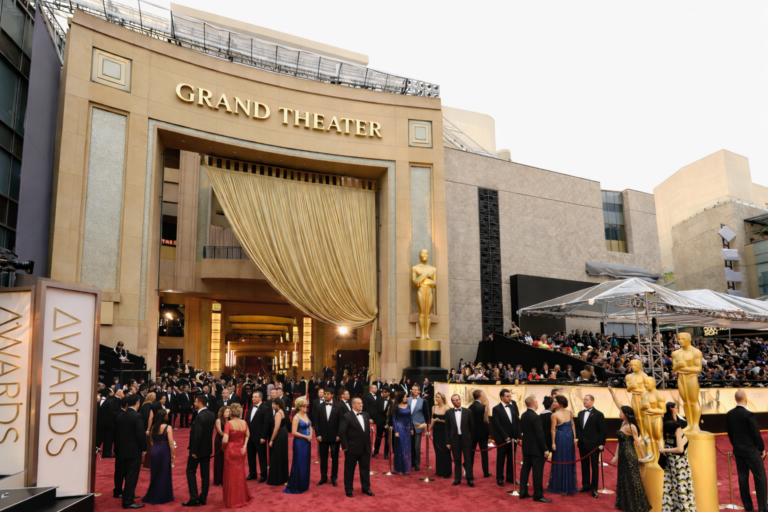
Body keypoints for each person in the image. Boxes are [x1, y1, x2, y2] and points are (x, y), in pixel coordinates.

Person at [608, 396, 652, 512]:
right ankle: (626, 504)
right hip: (622, 454)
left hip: (629, 454)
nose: (619, 413)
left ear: (626, 414)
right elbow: (619, 442)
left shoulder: (632, 426)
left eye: (621, 412)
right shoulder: (623, 423)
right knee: (624, 478)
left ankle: (636, 504)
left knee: (632, 478)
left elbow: (637, 443)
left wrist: (643, 457)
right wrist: (616, 455)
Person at [726, 390, 767, 512]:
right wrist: (761, 448)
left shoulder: (729, 414)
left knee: (742, 478)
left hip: (738, 451)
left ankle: (748, 506)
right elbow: (756, 434)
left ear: (736, 399)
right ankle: (763, 508)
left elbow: (730, 433)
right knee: (760, 477)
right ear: (746, 399)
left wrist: (736, 446)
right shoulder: (749, 415)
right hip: (751, 451)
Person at [115, 394, 147, 509]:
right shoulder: (137, 416)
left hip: (122, 450)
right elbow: (140, 435)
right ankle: (128, 501)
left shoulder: (120, 416)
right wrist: (144, 448)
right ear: (137, 402)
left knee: (126, 474)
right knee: (132, 476)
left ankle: (129, 495)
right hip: (134, 451)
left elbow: (117, 435)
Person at [339, 397, 374, 498]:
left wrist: (369, 445)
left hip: (365, 447)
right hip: (351, 448)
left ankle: (366, 488)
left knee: (365, 469)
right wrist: (345, 446)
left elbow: (365, 432)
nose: (361, 405)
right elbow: (342, 432)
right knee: (349, 470)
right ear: (353, 405)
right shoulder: (347, 416)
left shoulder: (366, 415)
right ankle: (349, 489)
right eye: (358, 404)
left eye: (362, 403)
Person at [183, 395, 215, 507]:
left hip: (197, 450)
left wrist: (194, 451)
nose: (194, 404)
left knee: (190, 471)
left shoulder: (199, 416)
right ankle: (203, 498)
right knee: (205, 474)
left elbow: (197, 435)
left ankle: (194, 498)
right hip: (207, 449)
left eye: (195, 402)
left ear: (200, 403)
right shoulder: (211, 414)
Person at [519, 396, 551, 503]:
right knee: (537, 473)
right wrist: (545, 449)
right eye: (537, 402)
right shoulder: (536, 417)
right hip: (536, 450)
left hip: (526, 449)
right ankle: (538, 495)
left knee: (525, 470)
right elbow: (540, 435)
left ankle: (523, 492)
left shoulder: (523, 415)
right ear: (533, 403)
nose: (538, 404)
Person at [220, 403, 253, 508]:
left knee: (231, 474)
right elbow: (248, 435)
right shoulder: (244, 422)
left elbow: (225, 440)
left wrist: (222, 448)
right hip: (241, 450)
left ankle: (233, 499)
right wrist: (244, 445)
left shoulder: (228, 423)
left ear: (231, 412)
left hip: (230, 450)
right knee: (240, 473)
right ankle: (240, 497)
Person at [659, 420, 695, 511]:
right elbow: (660, 440)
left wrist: (665, 450)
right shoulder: (669, 436)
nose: (680, 430)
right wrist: (661, 449)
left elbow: (680, 449)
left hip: (680, 470)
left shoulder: (682, 437)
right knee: (670, 492)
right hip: (670, 470)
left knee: (682, 492)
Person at [141, 409, 175, 505]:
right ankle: (163, 496)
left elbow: (151, 440)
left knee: (155, 473)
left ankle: (154, 494)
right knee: (164, 472)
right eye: (167, 415)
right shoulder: (168, 427)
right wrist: (174, 454)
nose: (168, 416)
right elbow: (171, 443)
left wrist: (155, 448)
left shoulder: (153, 427)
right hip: (164, 450)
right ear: (164, 417)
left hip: (155, 449)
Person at [576, 393, 607, 497]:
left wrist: (602, 444)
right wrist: (580, 439)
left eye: (587, 400)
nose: (585, 401)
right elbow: (579, 429)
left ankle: (594, 488)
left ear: (592, 401)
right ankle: (585, 485)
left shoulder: (599, 414)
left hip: (594, 445)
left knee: (594, 467)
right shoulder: (580, 413)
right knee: (584, 466)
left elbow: (603, 431)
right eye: (584, 400)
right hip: (582, 444)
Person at [548, 395, 577, 495]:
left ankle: (563, 486)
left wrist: (574, 438)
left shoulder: (556, 414)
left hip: (564, 438)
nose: (553, 403)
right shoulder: (555, 414)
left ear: (560, 404)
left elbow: (553, 430)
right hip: (565, 438)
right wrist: (553, 443)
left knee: (566, 460)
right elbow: (553, 430)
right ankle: (562, 485)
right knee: (561, 460)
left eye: (555, 402)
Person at [492, 388, 520, 487]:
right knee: (501, 459)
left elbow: (517, 422)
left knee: (511, 459)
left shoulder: (513, 407)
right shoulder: (496, 409)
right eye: (507, 396)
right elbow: (497, 424)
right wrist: (505, 437)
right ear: (502, 397)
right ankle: (499, 478)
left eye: (510, 396)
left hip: (513, 438)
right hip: (502, 439)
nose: (510, 398)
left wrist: (518, 435)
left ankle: (510, 477)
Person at [285, 397, 313, 494]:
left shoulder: (306, 414)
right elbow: (293, 432)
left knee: (306, 462)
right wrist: (306, 437)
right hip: (299, 443)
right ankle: (297, 486)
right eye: (304, 406)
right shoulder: (296, 417)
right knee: (299, 463)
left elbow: (310, 425)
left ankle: (304, 485)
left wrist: (310, 435)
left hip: (307, 443)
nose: (306, 407)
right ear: (300, 407)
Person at [446, 394, 475, 487]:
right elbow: (446, 428)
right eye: (454, 400)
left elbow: (472, 427)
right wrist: (447, 442)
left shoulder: (468, 411)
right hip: (454, 440)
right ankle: (457, 479)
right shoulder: (448, 413)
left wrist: (472, 439)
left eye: (457, 399)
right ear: (452, 402)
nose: (456, 401)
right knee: (457, 461)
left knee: (468, 460)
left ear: (460, 400)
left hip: (466, 439)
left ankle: (470, 479)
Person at [316, 389, 341, 486]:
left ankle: (334, 478)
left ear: (332, 395)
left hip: (335, 437)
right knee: (323, 459)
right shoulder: (318, 406)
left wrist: (339, 435)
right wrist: (317, 434)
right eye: (324, 394)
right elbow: (316, 422)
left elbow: (341, 422)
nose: (325, 395)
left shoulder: (338, 406)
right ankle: (323, 478)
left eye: (327, 394)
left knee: (335, 458)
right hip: (322, 437)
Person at [246, 391, 270, 482]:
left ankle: (263, 475)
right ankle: (252, 473)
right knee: (250, 456)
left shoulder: (265, 408)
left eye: (255, 397)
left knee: (262, 457)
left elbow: (266, 424)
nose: (253, 398)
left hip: (260, 437)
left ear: (260, 398)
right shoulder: (251, 406)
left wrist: (263, 437)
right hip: (250, 436)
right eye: (252, 397)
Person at [469, 389, 492, 478]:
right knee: (484, 454)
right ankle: (485, 472)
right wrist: (489, 434)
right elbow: (485, 421)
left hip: (472, 434)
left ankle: (469, 472)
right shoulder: (483, 407)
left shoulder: (470, 407)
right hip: (482, 434)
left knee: (471, 454)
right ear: (480, 396)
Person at [430, 391, 452, 479]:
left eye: (438, 397)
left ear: (442, 398)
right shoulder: (433, 408)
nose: (436, 399)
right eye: (436, 397)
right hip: (436, 432)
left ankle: (446, 472)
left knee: (444, 451)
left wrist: (441, 421)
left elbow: (450, 422)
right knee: (437, 451)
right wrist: (429, 430)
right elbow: (432, 420)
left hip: (444, 432)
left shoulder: (447, 408)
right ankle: (439, 471)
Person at [267, 398, 289, 485]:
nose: (272, 405)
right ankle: (283, 476)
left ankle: (277, 478)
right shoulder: (283, 411)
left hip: (279, 435)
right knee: (282, 455)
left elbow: (276, 428)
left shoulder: (278, 413)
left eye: (274, 404)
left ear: (278, 405)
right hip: (283, 433)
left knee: (276, 455)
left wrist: (271, 440)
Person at [408, 384, 428, 471]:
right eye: (412, 389)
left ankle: (417, 463)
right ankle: (411, 462)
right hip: (408, 425)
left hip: (418, 425)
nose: (414, 391)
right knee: (410, 445)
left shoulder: (423, 401)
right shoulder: (407, 400)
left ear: (419, 391)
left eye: (415, 390)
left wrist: (426, 424)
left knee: (417, 446)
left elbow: (426, 414)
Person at [391, 391, 413, 474]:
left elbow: (410, 418)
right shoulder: (395, 407)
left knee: (407, 448)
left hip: (407, 428)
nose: (406, 398)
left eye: (406, 396)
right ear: (401, 397)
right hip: (399, 428)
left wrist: (411, 428)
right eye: (405, 397)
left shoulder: (408, 406)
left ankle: (405, 468)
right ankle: (399, 468)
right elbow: (394, 419)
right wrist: (396, 431)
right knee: (401, 448)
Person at [213, 406, 230, 486]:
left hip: (229, 440)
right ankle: (219, 480)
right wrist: (228, 436)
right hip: (220, 440)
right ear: (222, 413)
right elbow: (220, 432)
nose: (228, 413)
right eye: (226, 412)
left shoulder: (230, 420)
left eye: (229, 411)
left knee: (228, 460)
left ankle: (228, 479)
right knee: (220, 459)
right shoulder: (218, 420)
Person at [373, 387, 391, 458]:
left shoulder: (391, 402)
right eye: (383, 391)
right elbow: (375, 410)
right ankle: (376, 450)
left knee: (387, 439)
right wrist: (376, 419)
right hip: (379, 421)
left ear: (389, 393)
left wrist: (390, 423)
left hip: (387, 422)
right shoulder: (379, 399)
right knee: (378, 437)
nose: (383, 393)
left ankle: (386, 453)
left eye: (385, 392)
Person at [140, 392, 156, 469]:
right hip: (150, 427)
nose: (156, 397)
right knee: (150, 445)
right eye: (155, 396)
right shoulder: (151, 406)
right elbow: (149, 418)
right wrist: (148, 429)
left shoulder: (143, 405)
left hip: (144, 426)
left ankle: (146, 462)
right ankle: (149, 463)